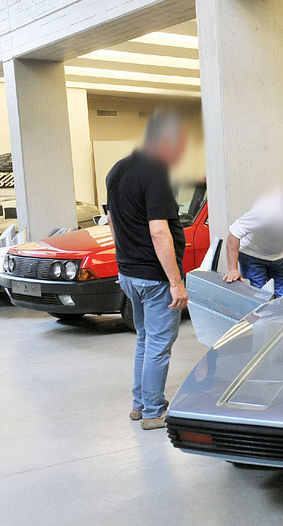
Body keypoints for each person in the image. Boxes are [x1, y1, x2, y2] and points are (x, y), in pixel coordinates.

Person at [106, 109, 188, 431]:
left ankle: (139, 405)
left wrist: (123, 256)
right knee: (158, 344)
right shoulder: (155, 172)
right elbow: (159, 231)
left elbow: (111, 219)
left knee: (145, 340)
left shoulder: (118, 169)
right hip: (154, 277)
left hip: (128, 272)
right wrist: (175, 282)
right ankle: (154, 412)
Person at [223, 181, 283, 297]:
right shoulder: (267, 210)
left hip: (282, 256)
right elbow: (234, 232)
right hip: (253, 256)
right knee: (259, 298)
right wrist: (232, 269)